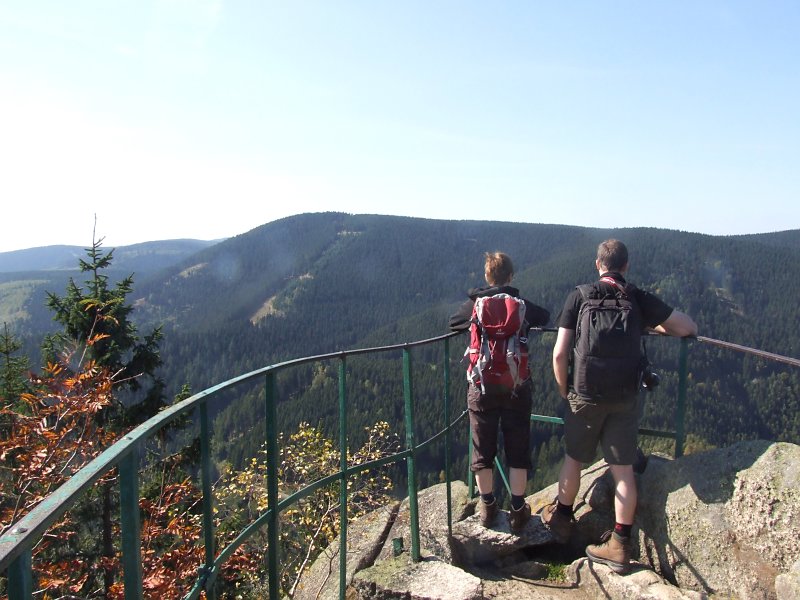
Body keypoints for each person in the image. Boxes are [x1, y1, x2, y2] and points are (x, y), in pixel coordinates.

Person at [542, 239, 697, 573]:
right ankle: (620, 545)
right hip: (625, 397)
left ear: (598, 264)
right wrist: (651, 324)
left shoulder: (580, 296)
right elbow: (687, 327)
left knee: (574, 459)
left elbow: (559, 353)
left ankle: (562, 519)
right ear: (625, 266)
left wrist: (565, 390)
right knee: (623, 470)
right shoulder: (636, 297)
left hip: (584, 394)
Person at [449, 251, 550, 533]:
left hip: (481, 387)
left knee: (482, 448)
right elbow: (545, 316)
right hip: (517, 387)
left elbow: (452, 322)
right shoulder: (521, 306)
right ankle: (518, 509)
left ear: (487, 276)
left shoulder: (475, 305)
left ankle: (487, 507)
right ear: (511, 276)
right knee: (518, 447)